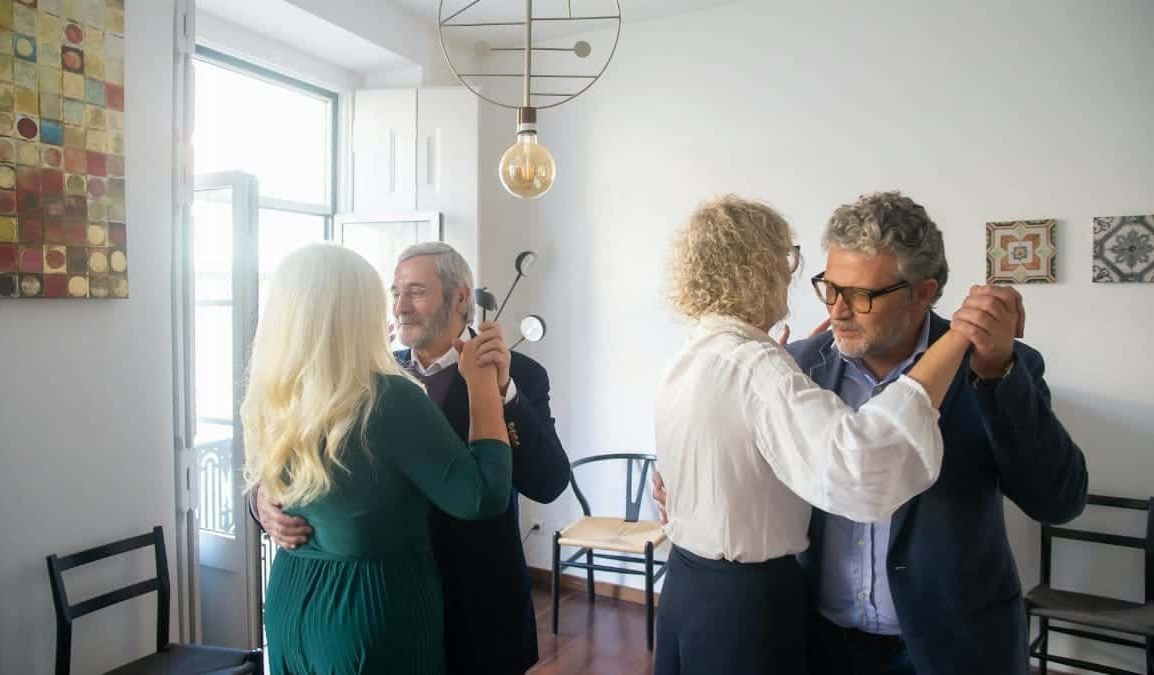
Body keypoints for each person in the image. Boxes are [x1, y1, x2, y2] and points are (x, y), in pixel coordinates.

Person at [654, 191, 1088, 675]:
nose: (838, 310)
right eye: (829, 288)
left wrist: (997, 376)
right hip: (819, 646)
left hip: (954, 648)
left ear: (922, 293)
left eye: (860, 296)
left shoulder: (995, 363)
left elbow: (1059, 501)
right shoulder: (795, 365)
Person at [254, 241, 570, 675]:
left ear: (460, 297)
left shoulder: (520, 374)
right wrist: (262, 500)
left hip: (476, 609)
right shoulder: (366, 377)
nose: (400, 307)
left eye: (416, 292)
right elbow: (302, 457)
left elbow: (549, 483)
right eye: (395, 293)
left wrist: (503, 392)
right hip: (381, 607)